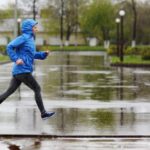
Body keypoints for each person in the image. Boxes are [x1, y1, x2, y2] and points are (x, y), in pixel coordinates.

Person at [0, 19, 55, 120]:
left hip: (19, 71)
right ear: (29, 28)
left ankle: (43, 113)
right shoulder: (23, 38)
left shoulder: (30, 40)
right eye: (34, 27)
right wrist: (16, 59)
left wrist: (43, 54)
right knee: (37, 88)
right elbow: (9, 47)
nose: (36, 29)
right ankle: (43, 113)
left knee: (9, 92)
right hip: (22, 70)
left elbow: (32, 55)